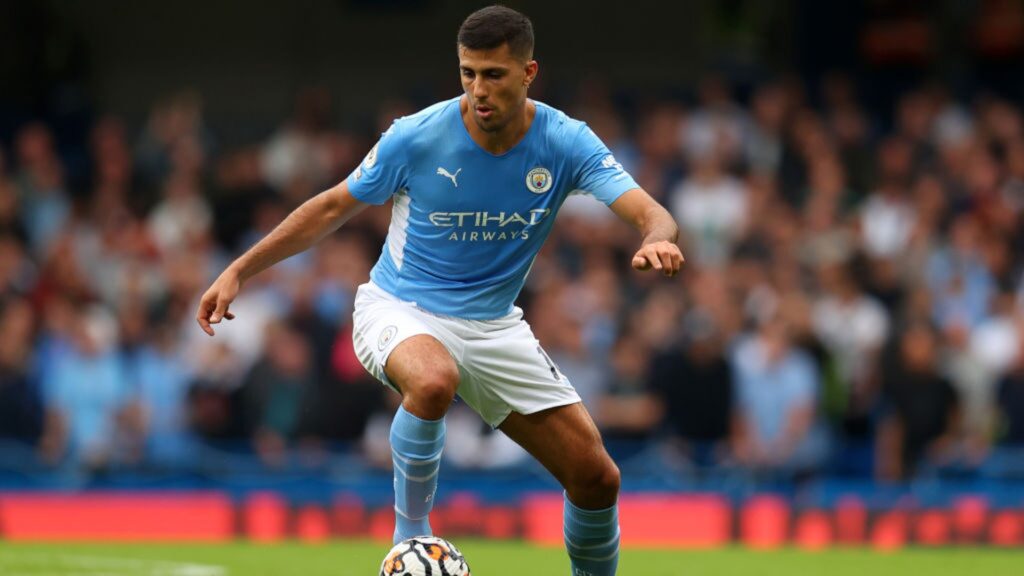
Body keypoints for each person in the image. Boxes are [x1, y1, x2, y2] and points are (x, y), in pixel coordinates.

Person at [196, 6, 682, 575]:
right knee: (432, 379)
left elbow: (652, 212)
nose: (478, 89)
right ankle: (410, 540)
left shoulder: (565, 142)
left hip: (493, 326)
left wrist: (657, 238)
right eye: (468, 73)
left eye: (493, 75)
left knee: (596, 477)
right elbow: (330, 208)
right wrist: (239, 270)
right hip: (400, 308)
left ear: (529, 73)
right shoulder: (416, 136)